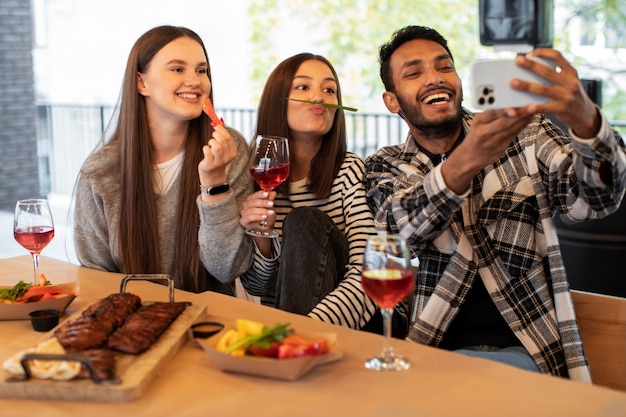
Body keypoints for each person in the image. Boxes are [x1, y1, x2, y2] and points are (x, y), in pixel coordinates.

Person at [364, 25, 626, 381]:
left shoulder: (526, 134)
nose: (434, 79)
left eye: (445, 67)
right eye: (414, 73)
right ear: (391, 100)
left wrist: (585, 119)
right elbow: (397, 231)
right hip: (432, 353)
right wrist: (468, 159)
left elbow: (596, 199)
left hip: (529, 353)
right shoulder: (386, 165)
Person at [199, 52, 393, 332]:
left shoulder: (349, 169)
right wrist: (262, 239)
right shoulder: (256, 173)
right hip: (283, 326)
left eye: (329, 90)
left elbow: (369, 272)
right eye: (303, 87)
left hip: (342, 327)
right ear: (278, 100)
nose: (318, 97)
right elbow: (258, 286)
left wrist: (300, 330)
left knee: (303, 221)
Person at [73, 25, 251, 294]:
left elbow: (227, 268)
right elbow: (95, 280)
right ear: (142, 83)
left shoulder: (229, 150)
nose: (195, 81)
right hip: (132, 325)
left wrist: (214, 184)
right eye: (178, 69)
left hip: (210, 324)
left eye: (201, 70)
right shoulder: (100, 172)